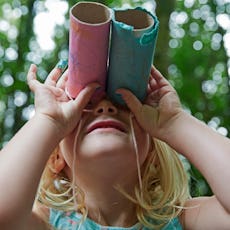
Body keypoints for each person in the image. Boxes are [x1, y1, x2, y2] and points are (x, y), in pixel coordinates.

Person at [0, 62, 230, 230]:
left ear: (152, 153)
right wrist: (49, 120)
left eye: (125, 105)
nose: (106, 108)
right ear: (56, 158)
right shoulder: (45, 223)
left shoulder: (186, 221)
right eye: (84, 107)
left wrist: (174, 122)